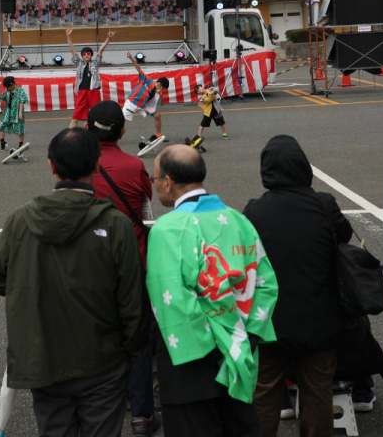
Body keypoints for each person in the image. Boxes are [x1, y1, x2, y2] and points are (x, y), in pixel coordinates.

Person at [0, 128, 149, 437]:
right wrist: (131, 349)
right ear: (96, 166)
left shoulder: (20, 220)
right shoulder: (116, 224)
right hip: (103, 358)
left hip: (43, 356)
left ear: (51, 165)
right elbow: (133, 301)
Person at [147, 144, 276, 436]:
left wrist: (209, 351)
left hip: (191, 368)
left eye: (154, 179)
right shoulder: (238, 220)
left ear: (168, 181)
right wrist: (246, 339)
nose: (154, 185)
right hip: (239, 355)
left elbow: (171, 301)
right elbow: (266, 284)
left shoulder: (167, 228)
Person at [243, 135, 343, 437]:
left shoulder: (254, 211)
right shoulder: (324, 205)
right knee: (317, 392)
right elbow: (344, 238)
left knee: (263, 392)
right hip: (319, 317)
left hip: (270, 319)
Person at [86, 100, 158, 436]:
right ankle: (141, 414)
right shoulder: (133, 166)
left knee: (99, 332)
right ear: (123, 131)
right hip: (134, 261)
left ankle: (102, 407)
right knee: (138, 337)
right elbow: (146, 210)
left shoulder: (79, 166)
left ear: (87, 127)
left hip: (91, 265)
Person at [65, 27, 115, 128]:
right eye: (84, 54)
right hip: (82, 91)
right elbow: (72, 49)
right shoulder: (78, 63)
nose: (86, 55)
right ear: (82, 56)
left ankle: (94, 135)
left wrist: (108, 38)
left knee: (97, 115)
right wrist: (68, 36)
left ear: (91, 55)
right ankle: (69, 136)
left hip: (93, 91)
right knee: (75, 116)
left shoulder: (95, 63)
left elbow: (101, 49)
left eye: (88, 54)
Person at [123, 51, 170, 144]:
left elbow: (162, 104)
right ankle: (109, 136)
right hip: (132, 102)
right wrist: (131, 58)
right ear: (159, 84)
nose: (163, 90)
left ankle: (159, 135)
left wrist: (161, 95)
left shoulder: (158, 93)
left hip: (142, 106)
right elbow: (139, 69)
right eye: (163, 88)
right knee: (120, 120)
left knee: (157, 115)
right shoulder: (147, 80)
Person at [189, 80, 228, 150]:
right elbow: (208, 100)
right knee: (203, 123)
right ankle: (199, 135)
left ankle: (224, 133)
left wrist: (212, 90)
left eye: (199, 88)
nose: (199, 90)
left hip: (216, 110)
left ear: (202, 87)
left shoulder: (208, 90)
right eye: (198, 91)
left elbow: (215, 90)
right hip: (208, 112)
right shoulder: (203, 96)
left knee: (222, 122)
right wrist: (211, 94)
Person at [0, 75, 29, 161]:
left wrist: (20, 113)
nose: (8, 88)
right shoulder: (7, 91)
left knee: (19, 129)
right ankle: (2, 143)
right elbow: (0, 97)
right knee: (1, 126)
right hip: (7, 112)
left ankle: (20, 147)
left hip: (17, 113)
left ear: (13, 84)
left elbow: (22, 101)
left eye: (8, 87)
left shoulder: (20, 91)